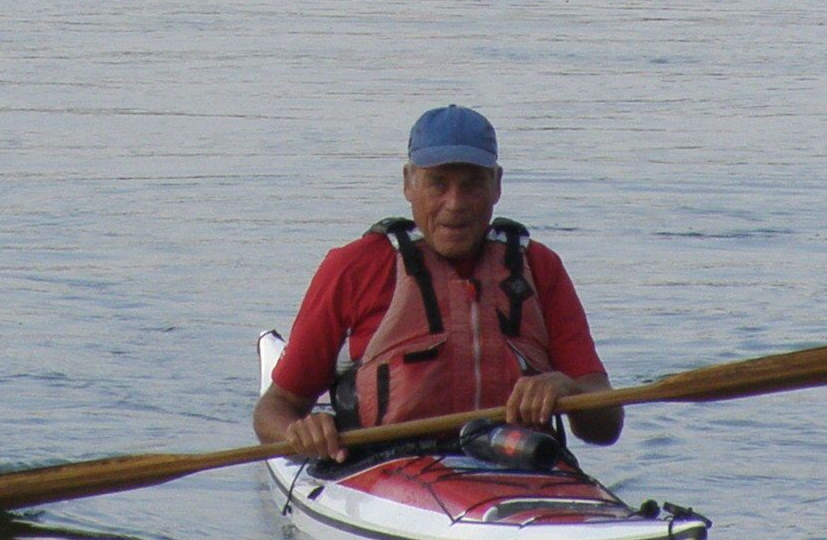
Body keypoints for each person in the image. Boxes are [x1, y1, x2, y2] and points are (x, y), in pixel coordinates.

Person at [254, 106, 621, 462]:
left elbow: (606, 428)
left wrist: (567, 389)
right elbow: (275, 407)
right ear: (408, 184)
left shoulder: (541, 268)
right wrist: (299, 433)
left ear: (497, 186)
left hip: (521, 464)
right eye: (438, 184)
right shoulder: (353, 267)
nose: (455, 203)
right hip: (385, 471)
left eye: (472, 184)